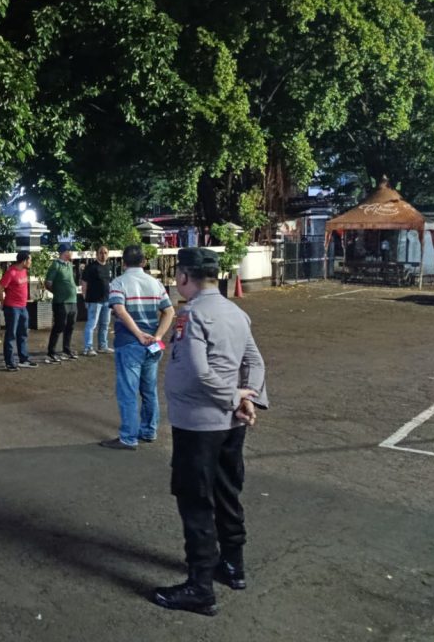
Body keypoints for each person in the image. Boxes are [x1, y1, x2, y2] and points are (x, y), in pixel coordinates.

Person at [152, 247, 268, 616]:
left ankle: (200, 586)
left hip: (199, 424)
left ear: (185, 277)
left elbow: (199, 372)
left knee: (195, 500)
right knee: (227, 491)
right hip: (231, 425)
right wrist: (247, 399)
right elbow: (254, 361)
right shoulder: (236, 312)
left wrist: (234, 396)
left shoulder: (192, 315)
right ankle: (233, 566)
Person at [100, 245, 175, 450]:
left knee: (128, 391)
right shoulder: (155, 283)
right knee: (149, 390)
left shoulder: (119, 283)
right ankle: (149, 430)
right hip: (152, 344)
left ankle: (128, 437)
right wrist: (157, 335)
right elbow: (169, 312)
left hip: (129, 342)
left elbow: (119, 310)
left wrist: (137, 333)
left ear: (123, 263)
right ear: (143, 262)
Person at [0, 250, 37, 371]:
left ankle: (23, 359)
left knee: (23, 333)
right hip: (12, 308)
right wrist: (3, 302)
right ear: (24, 261)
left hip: (23, 307)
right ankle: (9, 362)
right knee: (11, 334)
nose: (31, 262)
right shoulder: (11, 273)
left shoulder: (24, 271)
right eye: (30, 260)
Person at [44, 243, 78, 362]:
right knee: (59, 326)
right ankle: (51, 352)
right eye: (70, 251)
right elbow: (48, 283)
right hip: (61, 302)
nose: (72, 253)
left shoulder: (69, 264)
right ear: (65, 252)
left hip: (72, 301)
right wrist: (58, 293)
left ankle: (66, 349)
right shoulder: (55, 265)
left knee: (70, 326)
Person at [81, 245, 113, 355]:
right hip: (94, 301)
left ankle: (102, 346)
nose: (103, 255)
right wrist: (85, 298)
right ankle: (88, 348)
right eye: (101, 252)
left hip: (106, 300)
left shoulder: (109, 267)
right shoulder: (91, 267)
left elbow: (110, 283)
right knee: (92, 324)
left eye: (105, 253)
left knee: (105, 324)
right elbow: (84, 283)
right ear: (96, 254)